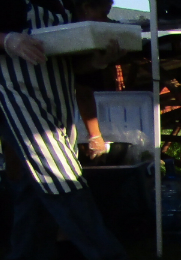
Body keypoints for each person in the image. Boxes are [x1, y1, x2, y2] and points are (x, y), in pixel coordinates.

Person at [0, 0, 143, 260]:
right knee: (62, 179)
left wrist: (98, 61)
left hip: (57, 97)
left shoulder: (62, 1)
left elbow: (70, 58)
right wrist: (7, 40)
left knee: (32, 186)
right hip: (14, 95)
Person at [70, 0, 115, 161]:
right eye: (104, 13)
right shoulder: (70, 28)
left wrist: (100, 62)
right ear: (86, 8)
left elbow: (79, 74)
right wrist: (95, 137)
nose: (106, 21)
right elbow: (83, 90)